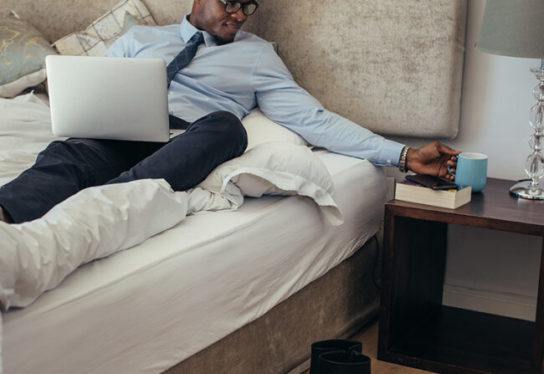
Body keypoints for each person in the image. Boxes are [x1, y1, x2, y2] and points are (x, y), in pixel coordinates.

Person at [0, 0, 459, 224]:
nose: (240, 15)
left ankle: (107, 200)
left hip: (187, 142)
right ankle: (8, 213)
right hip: (115, 133)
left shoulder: (257, 56)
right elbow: (91, 95)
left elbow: (312, 119)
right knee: (65, 154)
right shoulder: (138, 40)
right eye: (230, 2)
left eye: (248, 7)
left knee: (228, 126)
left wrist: (402, 156)